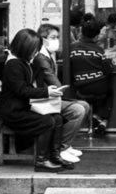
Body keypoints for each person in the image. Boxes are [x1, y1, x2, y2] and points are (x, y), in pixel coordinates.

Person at [0, 28, 70, 173]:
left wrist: (48, 91)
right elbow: (22, 90)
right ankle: (41, 160)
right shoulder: (13, 65)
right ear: (25, 48)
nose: (36, 53)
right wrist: (47, 92)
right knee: (48, 122)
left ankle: (54, 155)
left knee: (57, 118)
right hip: (14, 112)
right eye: (34, 49)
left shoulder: (25, 63)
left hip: (23, 108)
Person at [35, 23, 87, 163]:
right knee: (78, 109)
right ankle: (61, 148)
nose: (56, 40)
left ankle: (67, 145)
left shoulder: (50, 54)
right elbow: (51, 79)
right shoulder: (40, 57)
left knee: (84, 106)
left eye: (57, 37)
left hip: (51, 97)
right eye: (53, 37)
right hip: (42, 100)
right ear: (43, 38)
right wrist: (60, 90)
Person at [69, 17, 113, 134]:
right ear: (96, 36)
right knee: (110, 91)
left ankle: (94, 118)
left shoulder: (72, 48)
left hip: (81, 87)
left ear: (81, 33)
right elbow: (108, 70)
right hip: (100, 87)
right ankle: (101, 119)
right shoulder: (98, 50)